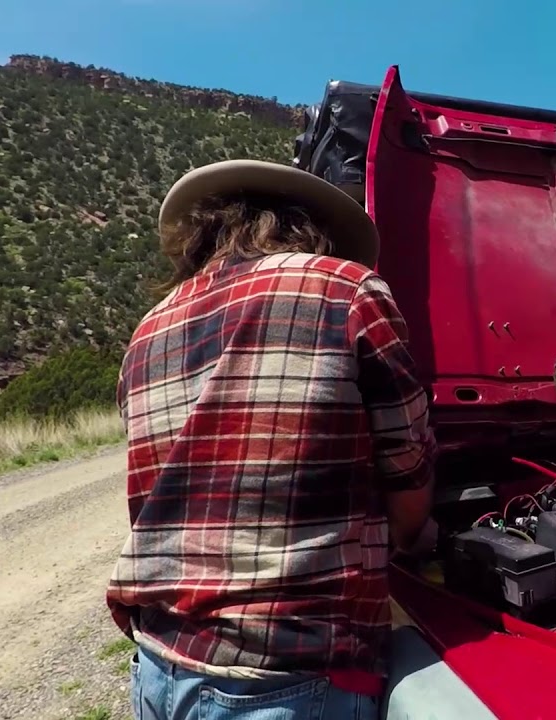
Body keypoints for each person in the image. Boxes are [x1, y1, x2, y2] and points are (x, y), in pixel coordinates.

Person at [108, 159, 437, 720]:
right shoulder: (344, 286)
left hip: (159, 662)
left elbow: (153, 490)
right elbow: (408, 471)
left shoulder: (147, 329)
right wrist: (417, 537)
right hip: (282, 673)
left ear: (204, 232)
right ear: (312, 228)